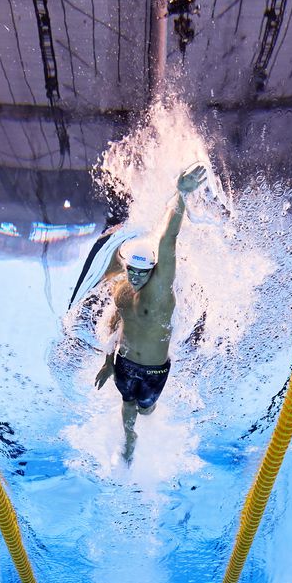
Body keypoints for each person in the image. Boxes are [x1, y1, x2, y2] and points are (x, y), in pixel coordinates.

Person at [94, 164, 207, 462]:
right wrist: (108, 362)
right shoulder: (121, 290)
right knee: (126, 404)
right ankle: (129, 440)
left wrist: (181, 195)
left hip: (155, 370)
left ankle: (144, 422)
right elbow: (114, 325)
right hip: (125, 362)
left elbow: (168, 240)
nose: (134, 277)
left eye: (142, 272)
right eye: (131, 270)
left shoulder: (159, 288)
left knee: (145, 409)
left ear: (153, 269)